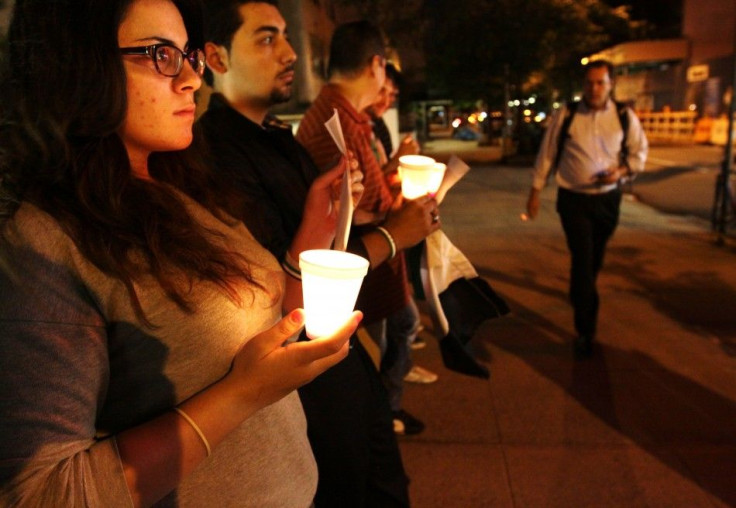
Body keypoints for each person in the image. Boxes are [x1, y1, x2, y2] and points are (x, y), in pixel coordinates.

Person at [0, 0, 361, 506]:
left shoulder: (182, 188)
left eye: (188, 53)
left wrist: (314, 232)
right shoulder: (45, 242)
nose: (192, 77)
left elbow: (263, 321)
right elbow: (40, 494)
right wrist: (243, 394)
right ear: (79, 64)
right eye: (159, 54)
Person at [197, 1, 429, 506]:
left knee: (385, 479)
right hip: (297, 374)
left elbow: (327, 236)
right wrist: (393, 236)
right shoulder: (212, 152)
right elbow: (283, 269)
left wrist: (349, 205)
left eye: (285, 36)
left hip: (336, 352)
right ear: (215, 58)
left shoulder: (278, 137)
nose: (289, 53)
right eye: (265, 39)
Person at [296, 20, 441, 435]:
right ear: (376, 64)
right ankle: (381, 416)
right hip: (360, 276)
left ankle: (381, 413)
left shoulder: (348, 117)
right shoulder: (334, 124)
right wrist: (404, 216)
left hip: (371, 268)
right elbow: (346, 217)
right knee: (369, 361)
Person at [526, 59, 648, 358]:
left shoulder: (624, 116)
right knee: (582, 259)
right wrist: (535, 192)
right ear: (583, 85)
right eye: (589, 83)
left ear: (611, 85)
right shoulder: (567, 114)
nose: (594, 89)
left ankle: (581, 295)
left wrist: (620, 173)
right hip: (573, 200)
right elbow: (548, 152)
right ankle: (585, 331)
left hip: (608, 200)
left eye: (600, 83)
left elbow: (639, 153)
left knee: (593, 263)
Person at [366, 63, 437, 383]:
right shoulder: (355, 126)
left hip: (389, 234)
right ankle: (390, 394)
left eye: (392, 94)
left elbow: (379, 181)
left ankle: (396, 378)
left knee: (400, 322)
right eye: (384, 90)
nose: (387, 99)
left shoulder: (372, 124)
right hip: (374, 244)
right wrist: (397, 164)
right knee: (396, 325)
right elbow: (367, 193)